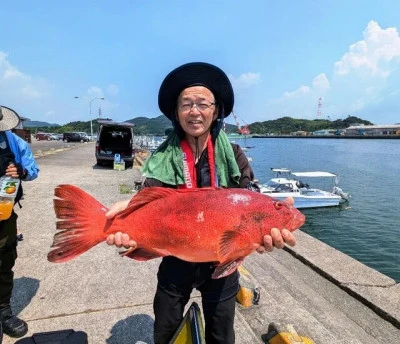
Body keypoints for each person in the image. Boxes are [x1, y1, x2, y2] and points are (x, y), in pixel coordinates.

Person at [105, 62, 296, 343]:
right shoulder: (160, 160)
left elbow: (250, 200)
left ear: (216, 110)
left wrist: (268, 228)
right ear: (176, 112)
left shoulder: (234, 155)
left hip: (223, 264)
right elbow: (148, 202)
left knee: (222, 335)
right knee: (166, 331)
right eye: (186, 104)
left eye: (202, 104)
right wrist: (125, 218)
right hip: (175, 260)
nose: (194, 111)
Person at [0, 106, 39, 339]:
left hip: (3, 211)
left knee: (5, 259)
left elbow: (33, 170)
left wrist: (21, 171)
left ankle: (3, 310)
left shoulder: (12, 141)